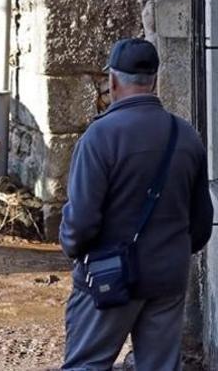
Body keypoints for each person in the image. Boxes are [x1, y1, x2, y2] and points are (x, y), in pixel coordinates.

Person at [60, 38, 213, 370]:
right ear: (154, 80)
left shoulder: (99, 137)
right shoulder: (186, 135)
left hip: (107, 275)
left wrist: (74, 250)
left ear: (113, 81)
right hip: (168, 276)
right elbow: (202, 224)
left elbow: (81, 222)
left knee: (86, 364)